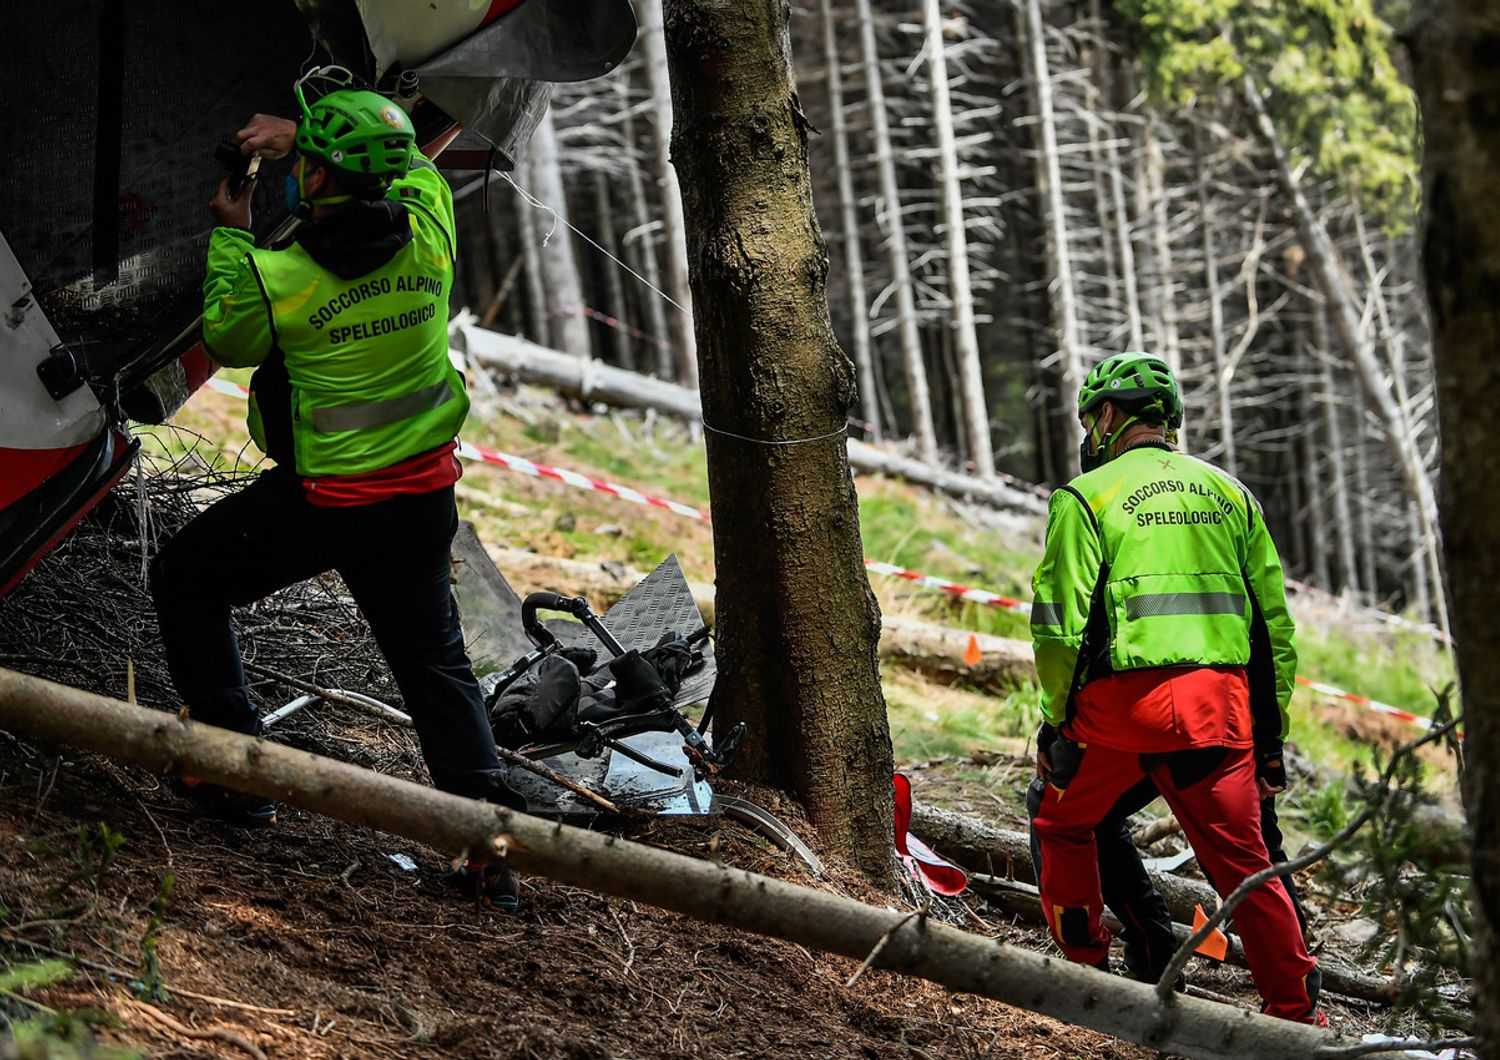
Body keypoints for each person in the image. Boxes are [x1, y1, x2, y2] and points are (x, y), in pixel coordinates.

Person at [150, 68, 523, 905]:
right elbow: (418, 168)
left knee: (187, 578)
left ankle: (229, 771)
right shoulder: (430, 228)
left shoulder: (278, 277)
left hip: (329, 506)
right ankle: (489, 848)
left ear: (314, 177)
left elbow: (231, 340)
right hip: (423, 501)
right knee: (435, 665)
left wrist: (234, 232)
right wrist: (309, 138)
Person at [1027, 352, 1323, 1024]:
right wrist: (1270, 738)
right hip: (1217, 712)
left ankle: (1084, 977)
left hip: (1116, 716)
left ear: (1106, 417)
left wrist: (1055, 723)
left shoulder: (1084, 498)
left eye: (1088, 419)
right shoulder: (1232, 494)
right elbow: (1272, 631)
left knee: (1061, 823)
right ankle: (1299, 1014)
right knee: (1246, 867)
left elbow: (1056, 627)